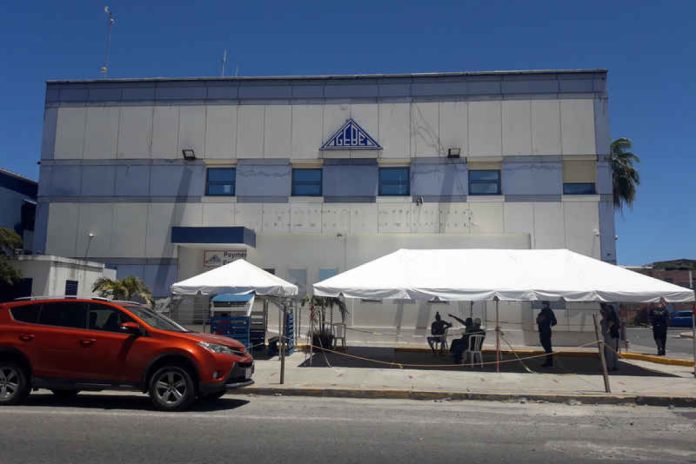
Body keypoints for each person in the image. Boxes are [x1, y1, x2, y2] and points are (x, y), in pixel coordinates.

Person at [600, 303, 620, 371]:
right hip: (614, 334)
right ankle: (615, 365)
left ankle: (609, 366)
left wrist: (608, 329)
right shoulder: (613, 314)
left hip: (610, 335)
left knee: (609, 351)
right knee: (614, 351)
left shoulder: (609, 313)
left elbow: (611, 322)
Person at [536, 301, 557, 367]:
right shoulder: (545, 311)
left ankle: (549, 363)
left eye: (544, 304)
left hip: (545, 331)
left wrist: (547, 324)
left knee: (547, 347)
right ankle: (549, 362)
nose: (543, 305)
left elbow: (554, 321)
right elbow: (554, 322)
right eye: (543, 304)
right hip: (544, 331)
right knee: (546, 346)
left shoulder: (547, 311)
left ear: (547, 305)